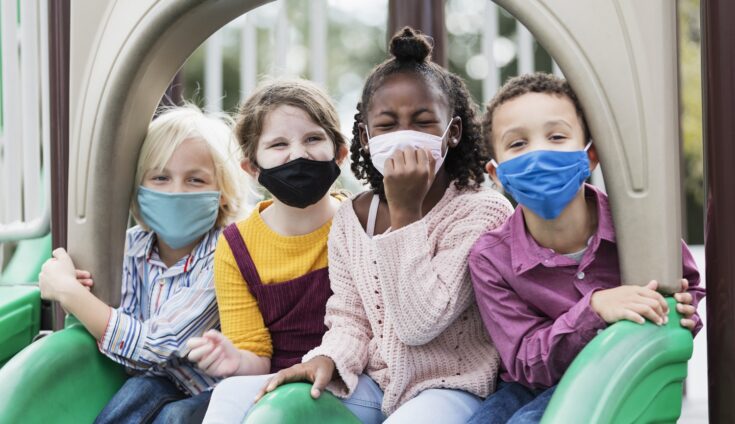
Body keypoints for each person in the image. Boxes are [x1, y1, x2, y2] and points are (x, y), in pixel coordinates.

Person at [252, 27, 514, 424]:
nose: (405, 136)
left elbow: (419, 324)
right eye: (388, 124)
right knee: (266, 405)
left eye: (423, 122)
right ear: (365, 136)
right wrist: (328, 357)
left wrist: (405, 213)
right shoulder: (352, 218)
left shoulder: (483, 212)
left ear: (452, 132)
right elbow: (349, 319)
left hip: (450, 388)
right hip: (374, 384)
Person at [467, 72, 706, 424]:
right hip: (531, 385)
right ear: (496, 173)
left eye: (557, 137)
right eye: (517, 144)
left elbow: (685, 290)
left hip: (616, 371)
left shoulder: (637, 227)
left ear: (590, 156)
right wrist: (594, 309)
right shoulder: (491, 258)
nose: (539, 153)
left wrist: (683, 309)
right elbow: (524, 362)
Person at [38, 105, 245, 424]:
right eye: (161, 177)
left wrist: (69, 293)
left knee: (171, 414)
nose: (176, 191)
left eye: (195, 180)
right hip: (151, 382)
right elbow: (130, 350)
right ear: (140, 188)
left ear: (221, 194)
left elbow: (158, 345)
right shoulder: (131, 248)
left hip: (210, 390)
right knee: (138, 391)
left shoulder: (225, 253)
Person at [192, 79, 350, 423]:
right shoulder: (237, 247)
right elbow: (256, 358)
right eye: (279, 144)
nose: (298, 154)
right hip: (274, 383)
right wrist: (235, 359)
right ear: (252, 168)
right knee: (228, 395)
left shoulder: (361, 222)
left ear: (339, 152)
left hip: (350, 379)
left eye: (313, 138)